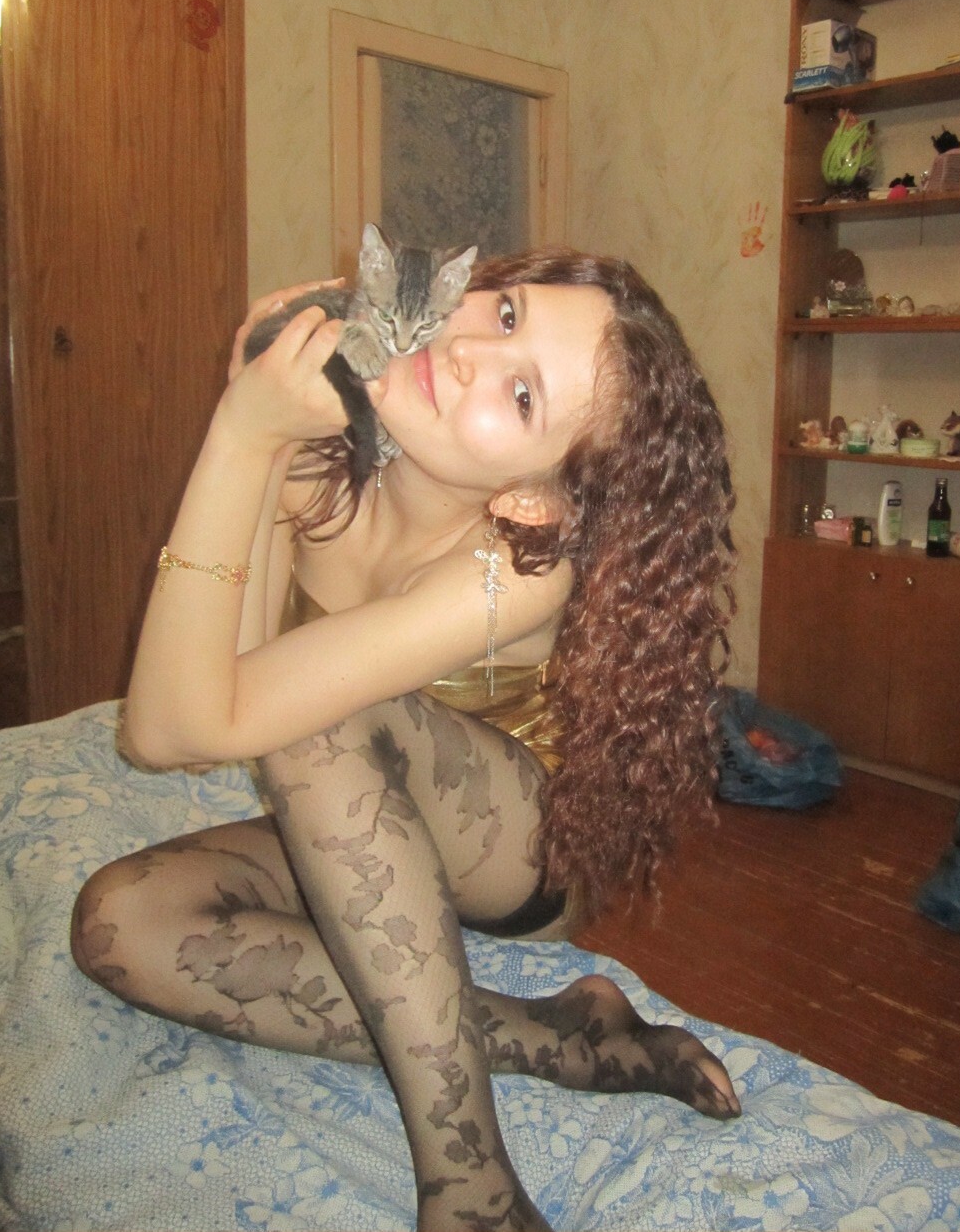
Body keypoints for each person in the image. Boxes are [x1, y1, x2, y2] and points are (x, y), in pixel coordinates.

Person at [71, 246, 739, 1232]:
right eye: (505, 314)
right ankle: (556, 1033)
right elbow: (189, 721)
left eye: (522, 395)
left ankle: (474, 1187)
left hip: (516, 853)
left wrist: (238, 434)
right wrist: (255, 436)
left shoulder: (519, 569)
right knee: (122, 922)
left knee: (321, 714)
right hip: (370, 832)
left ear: (533, 499)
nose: (469, 350)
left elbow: (191, 723)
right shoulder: (328, 453)